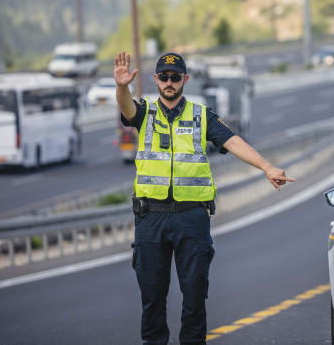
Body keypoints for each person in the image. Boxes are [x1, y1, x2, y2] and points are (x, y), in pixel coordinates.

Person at [114, 51, 294, 345]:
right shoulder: (145, 111)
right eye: (163, 77)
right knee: (152, 297)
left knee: (195, 296)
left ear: (185, 79)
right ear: (157, 80)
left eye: (175, 77)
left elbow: (233, 140)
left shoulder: (200, 115)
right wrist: (122, 87)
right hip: (151, 217)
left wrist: (266, 166)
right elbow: (127, 109)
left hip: (192, 218)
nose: (169, 82)